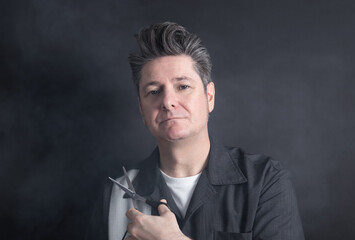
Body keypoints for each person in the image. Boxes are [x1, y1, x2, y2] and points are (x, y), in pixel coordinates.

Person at [86, 22, 305, 240]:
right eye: (154, 91)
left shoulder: (266, 181)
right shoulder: (114, 194)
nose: (168, 101)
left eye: (182, 86)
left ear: (209, 97)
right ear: (142, 110)